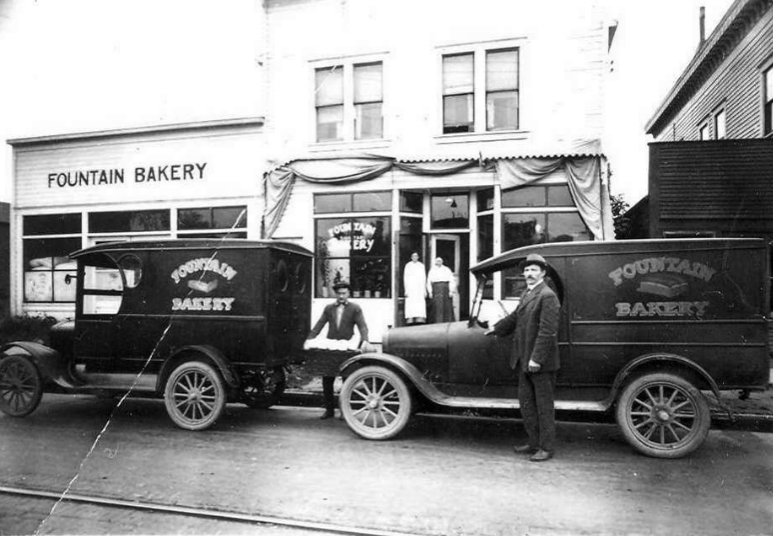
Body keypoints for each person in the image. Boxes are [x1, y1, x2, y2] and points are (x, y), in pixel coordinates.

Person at [486, 253, 561, 462]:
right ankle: (534, 443)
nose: (529, 273)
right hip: (523, 360)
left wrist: (536, 359)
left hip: (539, 363)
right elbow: (514, 317)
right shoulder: (527, 294)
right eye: (526, 270)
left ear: (543, 273)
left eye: (533, 270)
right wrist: (496, 328)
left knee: (543, 406)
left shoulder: (547, 296)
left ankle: (546, 448)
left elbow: (548, 331)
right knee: (527, 404)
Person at [306, 281, 370, 419]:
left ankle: (344, 411)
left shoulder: (355, 308)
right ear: (336, 294)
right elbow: (319, 325)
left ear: (349, 294)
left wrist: (365, 340)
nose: (341, 296)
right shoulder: (329, 308)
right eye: (339, 293)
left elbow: (362, 326)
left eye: (344, 293)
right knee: (327, 379)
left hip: (346, 348)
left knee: (346, 380)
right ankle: (329, 410)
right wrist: (309, 340)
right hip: (331, 347)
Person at [426, 257, 456, 323]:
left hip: (445, 289)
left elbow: (451, 280)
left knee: (447, 307)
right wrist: (430, 292)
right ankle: (437, 322)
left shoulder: (446, 269)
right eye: (437, 261)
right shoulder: (432, 270)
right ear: (435, 262)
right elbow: (428, 282)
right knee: (437, 306)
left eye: (440, 261)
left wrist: (451, 291)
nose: (438, 262)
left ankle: (448, 322)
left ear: (442, 262)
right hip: (436, 289)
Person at [403, 252, 427, 324]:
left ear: (418, 257)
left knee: (419, 304)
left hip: (419, 288)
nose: (415, 257)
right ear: (411, 257)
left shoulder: (421, 266)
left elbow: (424, 278)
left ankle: (420, 319)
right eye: (413, 256)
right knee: (410, 304)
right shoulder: (408, 265)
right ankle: (410, 319)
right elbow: (405, 278)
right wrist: (406, 290)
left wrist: (424, 290)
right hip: (410, 288)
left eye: (416, 256)